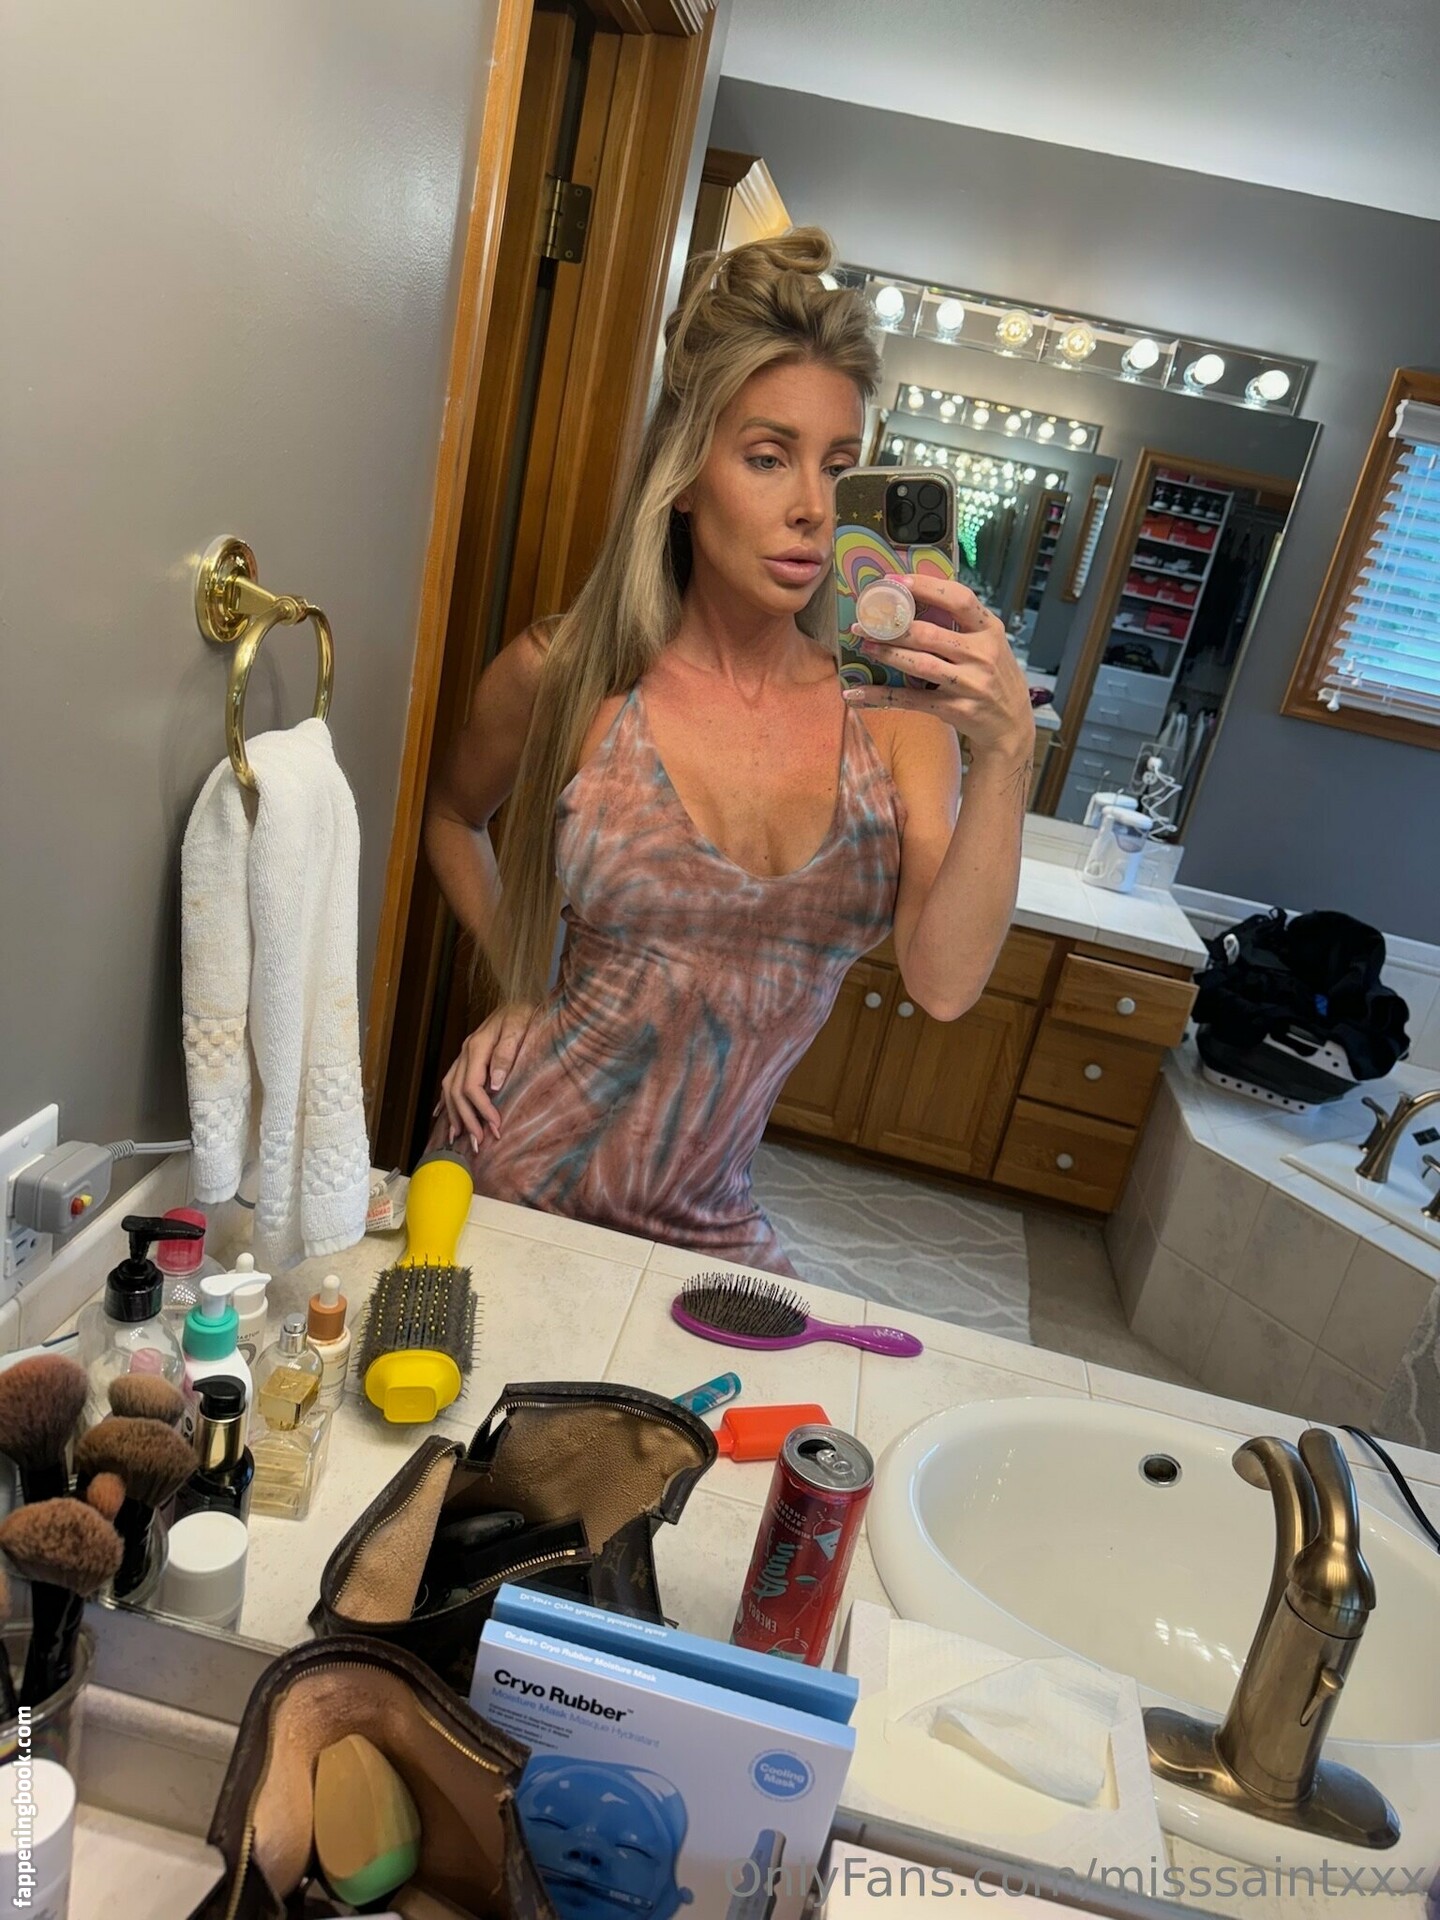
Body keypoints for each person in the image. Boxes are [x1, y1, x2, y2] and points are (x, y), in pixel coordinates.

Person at [423, 228, 1035, 1276]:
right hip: (513, 1178)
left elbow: (942, 983)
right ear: (684, 476)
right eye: (767, 457)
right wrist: (523, 984)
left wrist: (1009, 749)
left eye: (838, 467)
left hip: (709, 1219)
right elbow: (450, 818)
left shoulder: (894, 721)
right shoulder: (569, 677)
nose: (812, 507)